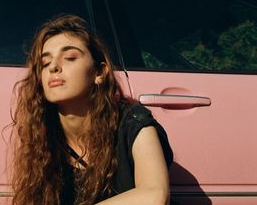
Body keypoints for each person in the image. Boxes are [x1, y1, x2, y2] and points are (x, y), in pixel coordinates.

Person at [10, 15, 173, 205]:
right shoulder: (43, 135)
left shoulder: (132, 122)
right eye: (45, 63)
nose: (54, 67)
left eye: (70, 58)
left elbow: (155, 195)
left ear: (99, 72)